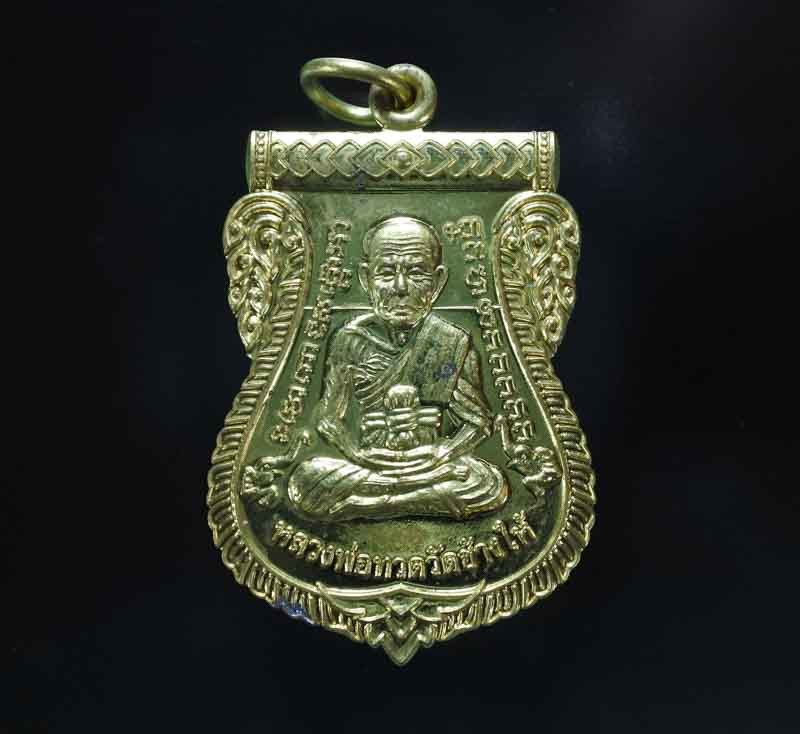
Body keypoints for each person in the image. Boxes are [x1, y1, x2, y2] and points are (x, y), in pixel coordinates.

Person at [288, 216, 507, 521]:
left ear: (438, 281)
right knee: (305, 479)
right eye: (387, 273)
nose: (400, 287)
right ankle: (414, 499)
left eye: (416, 272)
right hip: (371, 463)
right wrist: (356, 453)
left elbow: (479, 423)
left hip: (429, 462)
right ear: (366, 278)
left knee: (488, 482)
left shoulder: (450, 341)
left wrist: (441, 454)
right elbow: (327, 418)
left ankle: (369, 506)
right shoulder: (349, 340)